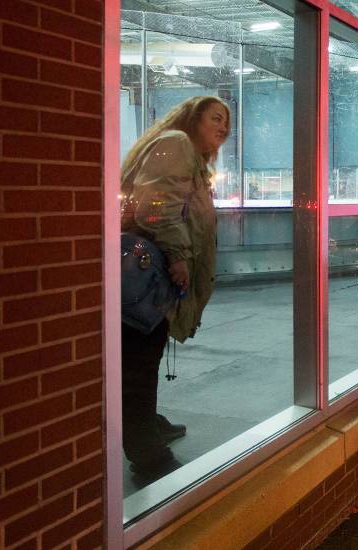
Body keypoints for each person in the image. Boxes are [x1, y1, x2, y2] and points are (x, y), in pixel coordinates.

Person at [119, 96, 231, 477]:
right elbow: (156, 205)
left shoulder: (191, 159)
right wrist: (179, 255)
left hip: (155, 275)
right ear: (192, 118)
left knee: (146, 354)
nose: (223, 128)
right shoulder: (177, 143)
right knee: (138, 360)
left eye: (227, 123)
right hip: (150, 274)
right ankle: (145, 452)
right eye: (215, 118)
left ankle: (147, 421)